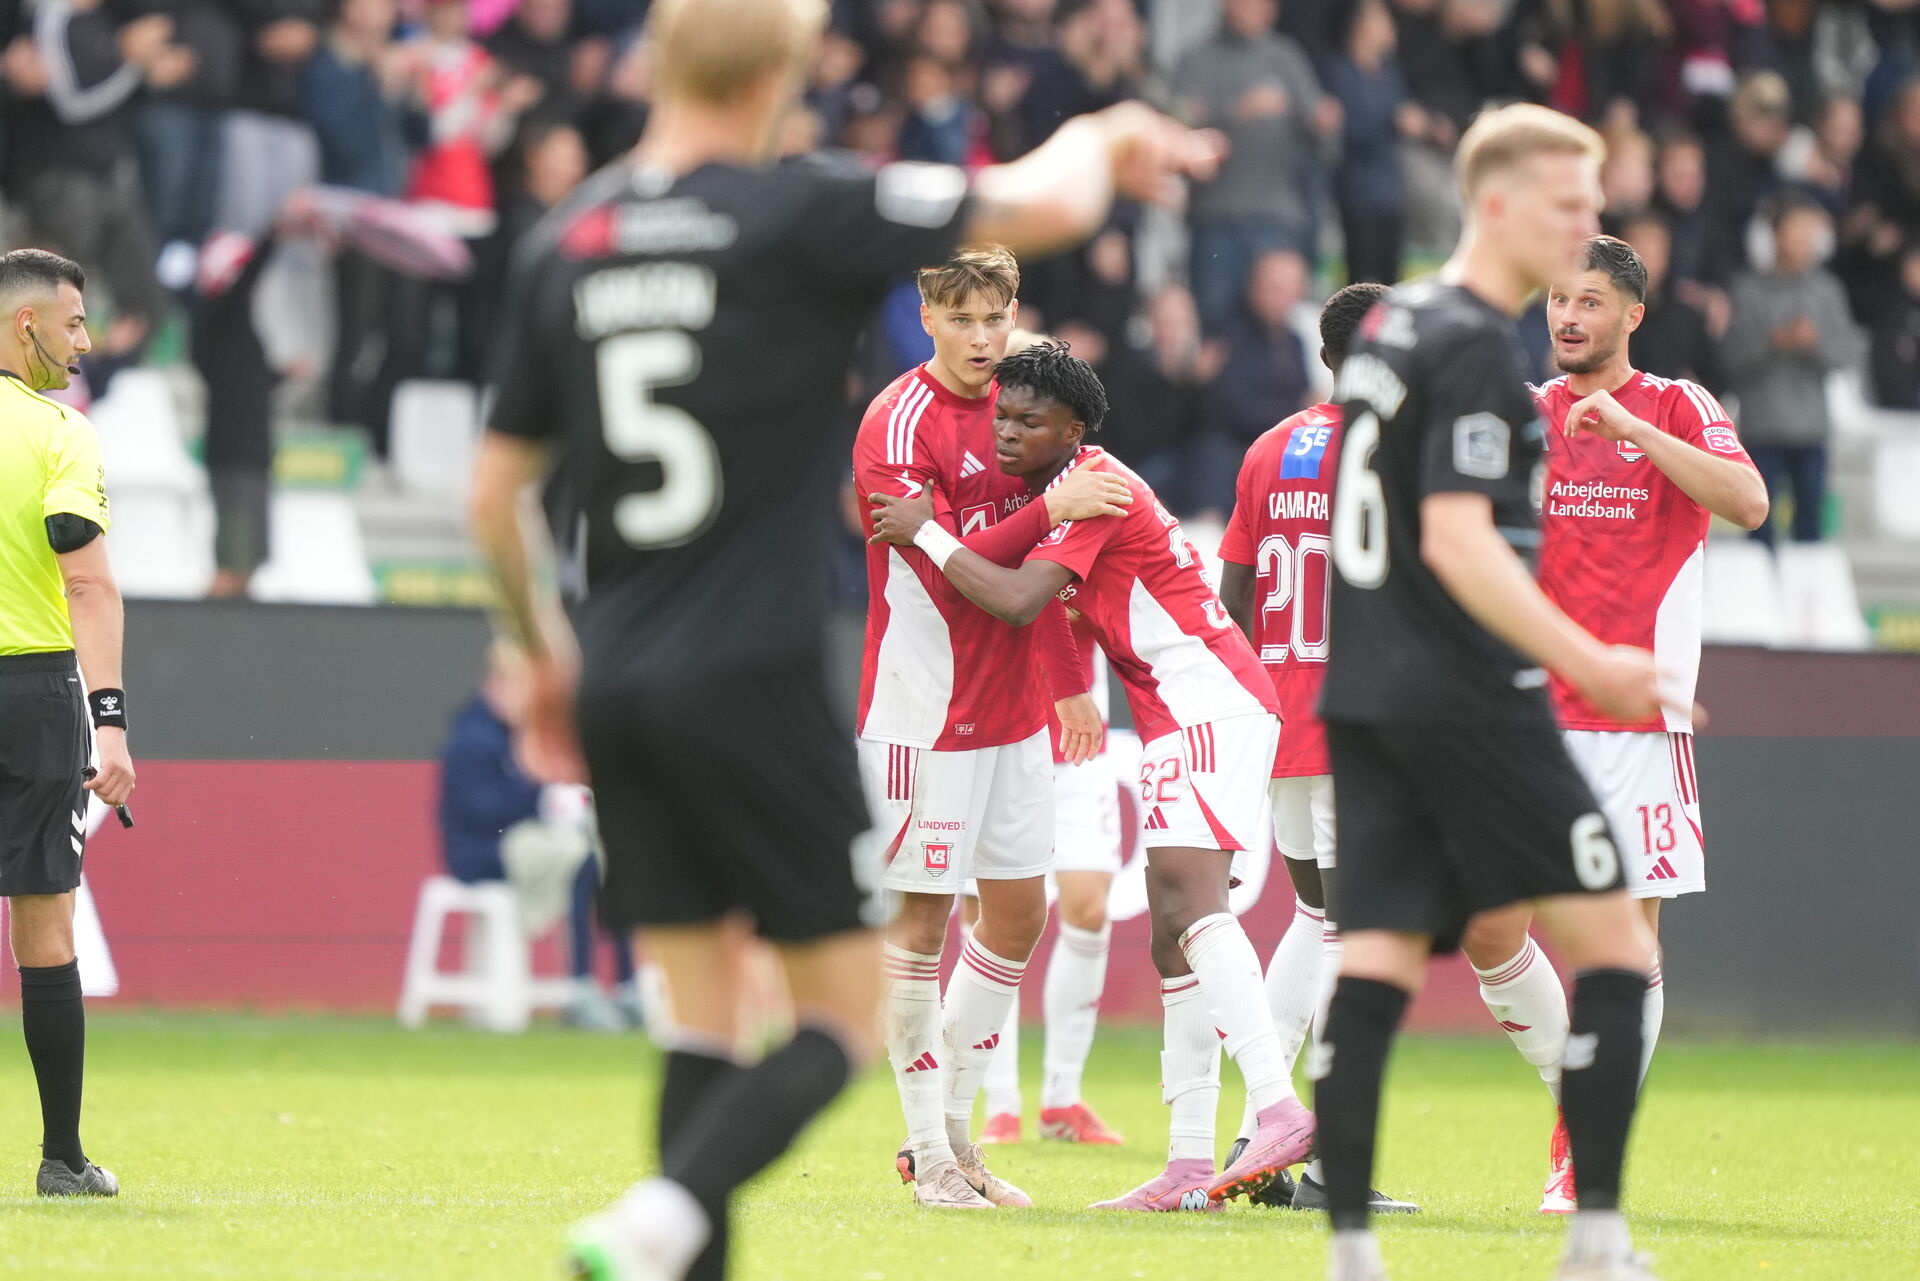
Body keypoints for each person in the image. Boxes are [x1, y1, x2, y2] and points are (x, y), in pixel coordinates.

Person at [465, 0, 1219, 1273]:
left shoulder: (568, 239)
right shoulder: (797, 211)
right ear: (787, 69)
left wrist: (540, 651)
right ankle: (661, 1218)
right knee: (832, 1023)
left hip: (616, 673)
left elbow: (493, 492)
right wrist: (1105, 130)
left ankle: (673, 1240)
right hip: (755, 671)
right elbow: (1041, 201)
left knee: (701, 1030)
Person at [1312, 104, 1667, 1281]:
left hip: (1364, 694)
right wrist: (1590, 661)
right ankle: (1599, 1236)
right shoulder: (1469, 341)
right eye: (1572, 204)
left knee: (1375, 964)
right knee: (1617, 946)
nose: (1590, 226)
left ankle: (1350, 1248)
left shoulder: (1392, 325)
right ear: (1501, 203)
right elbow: (1461, 544)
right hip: (1466, 697)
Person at [867, 341, 1313, 1214]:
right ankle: (1190, 1168)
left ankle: (1278, 1106)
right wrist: (1073, 690)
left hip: (1204, 702)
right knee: (1169, 934)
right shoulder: (1059, 493)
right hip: (1179, 708)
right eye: (1001, 414)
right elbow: (1062, 608)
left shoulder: (1095, 490)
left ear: (1074, 430)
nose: (1006, 432)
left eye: (1030, 422)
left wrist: (922, 528)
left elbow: (1018, 599)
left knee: (1190, 910)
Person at [1460, 233, 1767, 1215]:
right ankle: (1581, 1100)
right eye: (1556, 299)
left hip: (1638, 717)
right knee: (1485, 927)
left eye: (1589, 301)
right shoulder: (1526, 416)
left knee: (1625, 946)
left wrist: (1637, 435)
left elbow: (1750, 502)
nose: (1567, 317)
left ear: (1633, 314)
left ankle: (1578, 1153)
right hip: (1531, 716)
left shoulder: (1681, 404)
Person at [854, 246, 1124, 1210]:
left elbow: (1044, 576)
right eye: (962, 319)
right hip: (923, 710)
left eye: (995, 318)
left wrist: (1064, 683)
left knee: (1017, 914)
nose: (981, 339)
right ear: (927, 317)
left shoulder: (1027, 403)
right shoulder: (897, 421)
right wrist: (1050, 507)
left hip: (1013, 711)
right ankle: (926, 1152)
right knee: (920, 925)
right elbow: (941, 573)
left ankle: (956, 1135)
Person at [1216, 280, 1417, 1217]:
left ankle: (1263, 1127)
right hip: (1357, 720)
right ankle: (1330, 1164)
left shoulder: (1269, 449)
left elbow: (1233, 594)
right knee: (1357, 934)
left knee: (1313, 917)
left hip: (1279, 714)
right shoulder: (1393, 447)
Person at [0, 247, 136, 1197]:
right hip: (35, 693)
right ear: (26, 325)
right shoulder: (61, 434)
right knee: (45, 925)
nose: (83, 343)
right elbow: (84, 578)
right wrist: (114, 723)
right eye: (74, 323)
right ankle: (62, 1159)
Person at [977, 610, 1124, 1149]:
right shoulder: (983, 526)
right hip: (994, 739)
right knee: (990, 923)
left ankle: (1062, 1096)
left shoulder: (1086, 530)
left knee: (1088, 910)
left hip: (1077, 747)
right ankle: (1000, 1104)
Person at [1719, 193, 1865, 546]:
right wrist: (1774, 341)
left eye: (1809, 232)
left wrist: (1816, 343)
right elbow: (1730, 357)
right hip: (1761, 426)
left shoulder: (1828, 290)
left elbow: (1848, 352)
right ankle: (1762, 596)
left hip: (1812, 429)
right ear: (1775, 235)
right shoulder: (1748, 289)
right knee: (1759, 524)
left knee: (1810, 529)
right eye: (1794, 230)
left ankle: (1808, 595)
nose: (1802, 241)